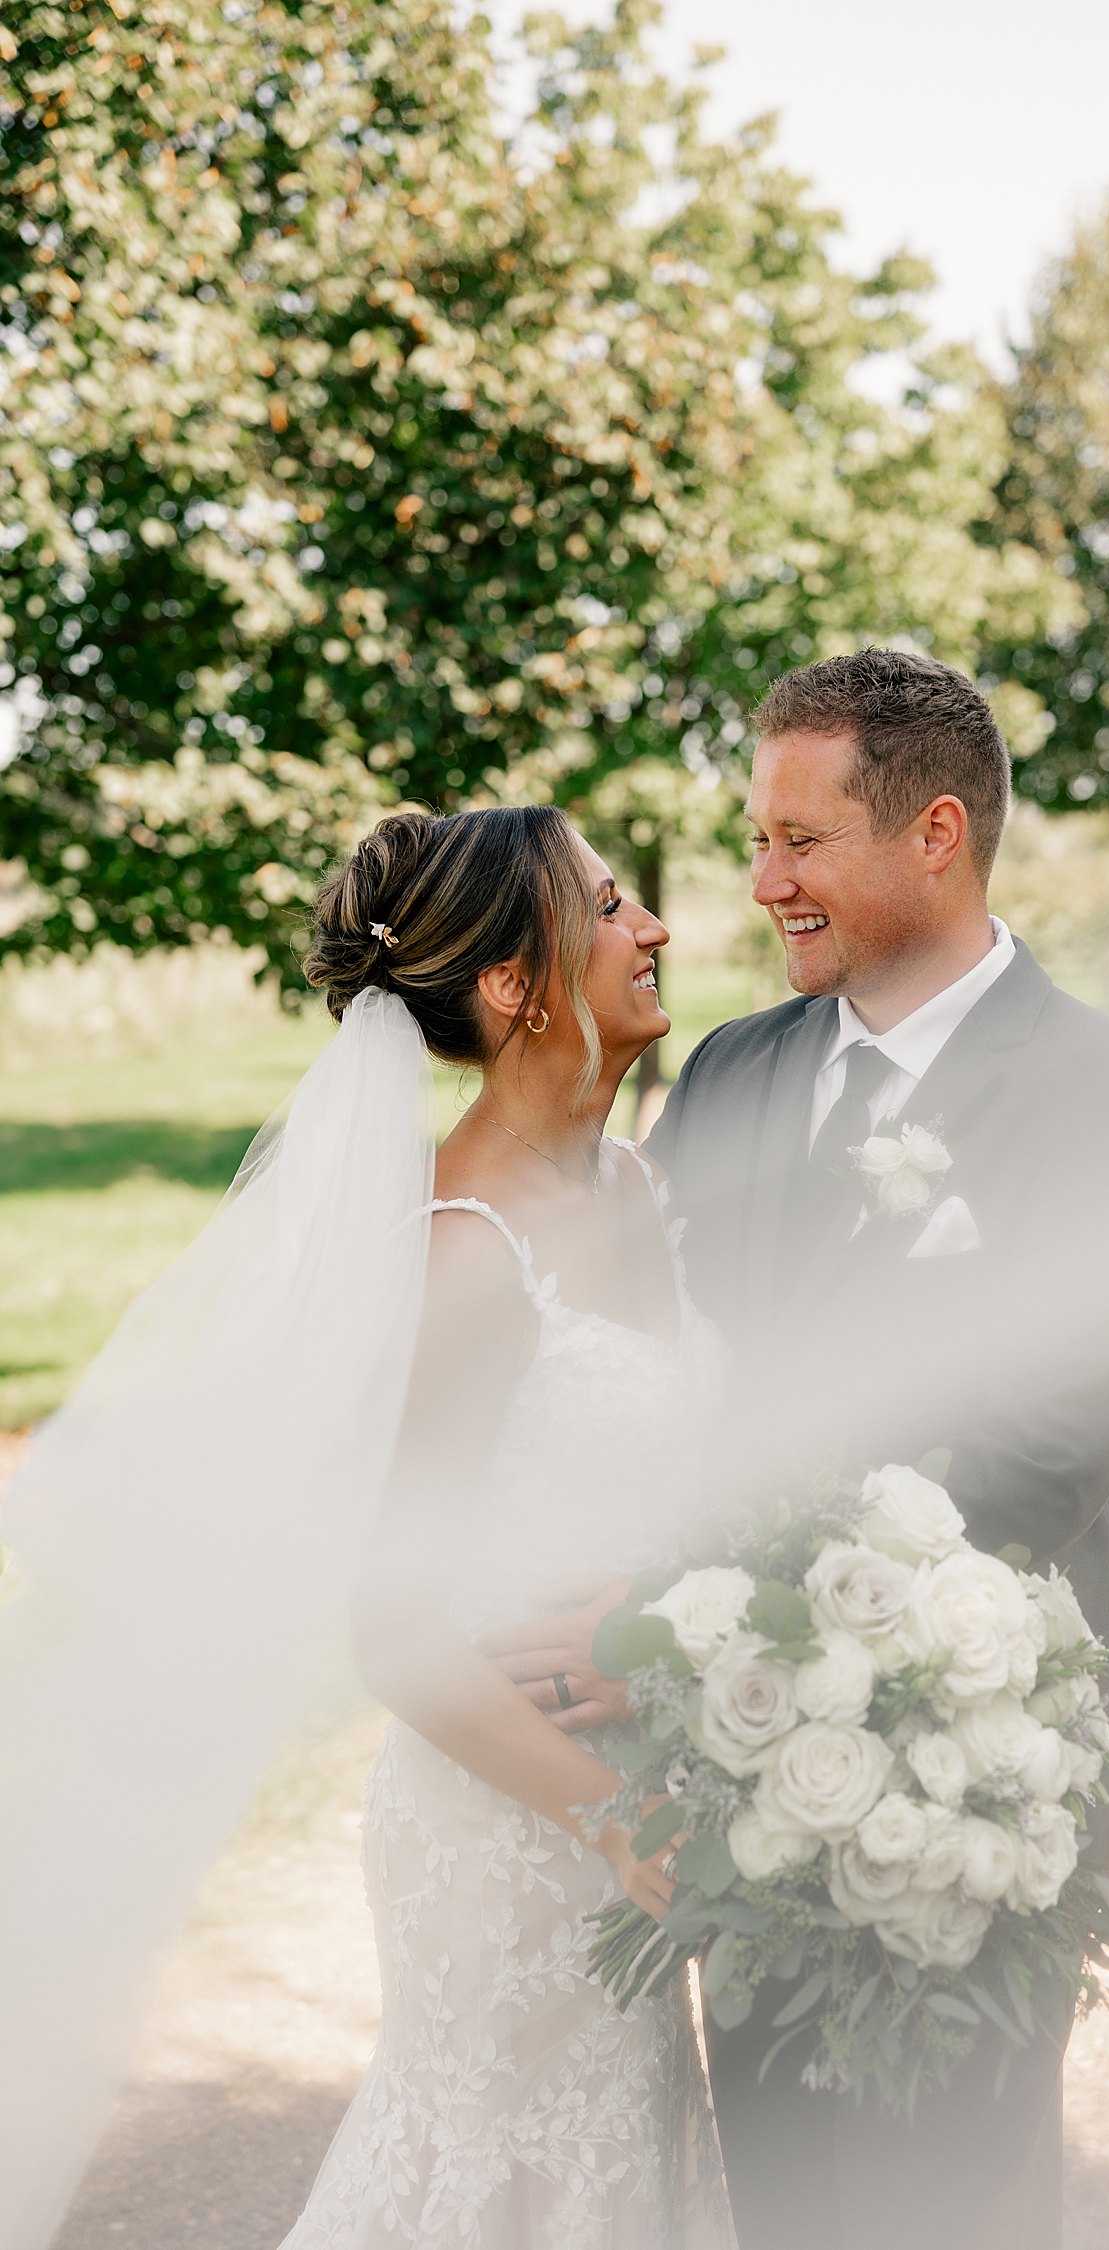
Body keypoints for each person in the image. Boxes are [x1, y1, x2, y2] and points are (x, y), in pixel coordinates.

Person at [492, 651, 1109, 2250]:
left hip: (966, 1784)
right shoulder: (735, 1075)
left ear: (936, 833)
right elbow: (656, 1380)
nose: (762, 884)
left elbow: (1034, 1457)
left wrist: (670, 1610)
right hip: (732, 1786)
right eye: (759, 840)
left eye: (801, 843)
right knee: (788, 2210)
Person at [0, 804, 733, 2250]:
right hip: (518, 1820)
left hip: (642, 1782)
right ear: (516, 987)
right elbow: (394, 1629)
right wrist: (619, 1814)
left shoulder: (641, 1187)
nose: (651, 926)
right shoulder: (466, 1256)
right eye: (608, 907)